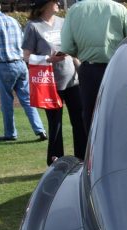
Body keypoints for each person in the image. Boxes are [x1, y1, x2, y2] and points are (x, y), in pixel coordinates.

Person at [22, 0, 86, 165]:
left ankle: (83, 158)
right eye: (54, 1)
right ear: (45, 4)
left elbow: (73, 51)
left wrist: (82, 71)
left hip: (72, 80)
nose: (58, 3)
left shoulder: (63, 22)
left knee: (79, 121)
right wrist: (48, 59)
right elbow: (26, 56)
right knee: (55, 124)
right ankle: (56, 162)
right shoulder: (33, 26)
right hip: (50, 84)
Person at [60, 0, 127, 136]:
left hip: (89, 69)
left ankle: (94, 154)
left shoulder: (74, 10)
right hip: (117, 68)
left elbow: (67, 47)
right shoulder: (118, 8)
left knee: (91, 115)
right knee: (119, 113)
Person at [0, 0, 47, 142]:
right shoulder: (13, 20)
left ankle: (10, 133)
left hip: (5, 65)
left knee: (6, 102)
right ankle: (40, 129)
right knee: (27, 100)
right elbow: (24, 43)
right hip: (21, 64)